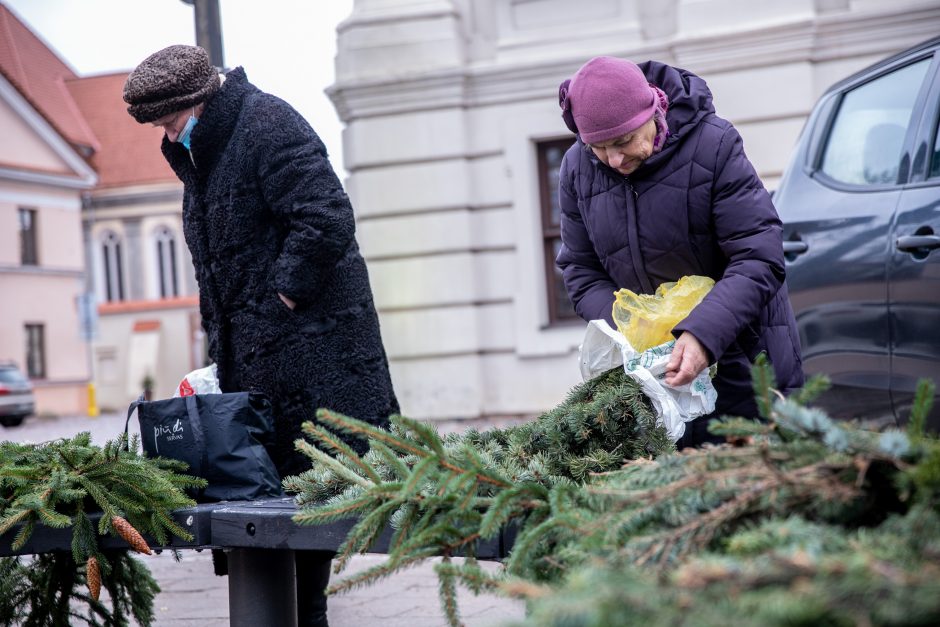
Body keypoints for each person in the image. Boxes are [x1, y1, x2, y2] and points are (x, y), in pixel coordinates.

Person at [123, 44, 399, 627]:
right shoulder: (204, 153)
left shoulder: (266, 123)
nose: (168, 136)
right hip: (259, 359)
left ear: (196, 101)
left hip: (315, 354)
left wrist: (284, 295)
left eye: (170, 121)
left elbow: (324, 214)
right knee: (273, 516)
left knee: (304, 513)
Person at [556, 56, 803, 447]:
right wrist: (634, 338)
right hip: (652, 384)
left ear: (654, 110)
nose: (615, 160)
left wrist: (702, 336)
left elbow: (760, 255)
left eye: (623, 141)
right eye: (599, 148)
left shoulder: (714, 144)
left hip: (746, 364)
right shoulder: (576, 169)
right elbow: (580, 270)